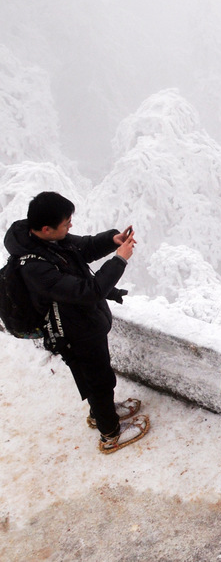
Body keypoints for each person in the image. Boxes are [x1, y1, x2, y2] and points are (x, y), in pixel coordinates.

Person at [3, 191, 147, 453]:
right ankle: (110, 433)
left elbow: (81, 248)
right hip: (73, 332)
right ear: (46, 229)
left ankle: (101, 413)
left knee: (94, 377)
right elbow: (89, 291)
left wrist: (111, 240)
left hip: (80, 323)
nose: (70, 227)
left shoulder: (39, 238)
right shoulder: (36, 267)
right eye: (66, 224)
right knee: (99, 380)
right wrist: (120, 259)